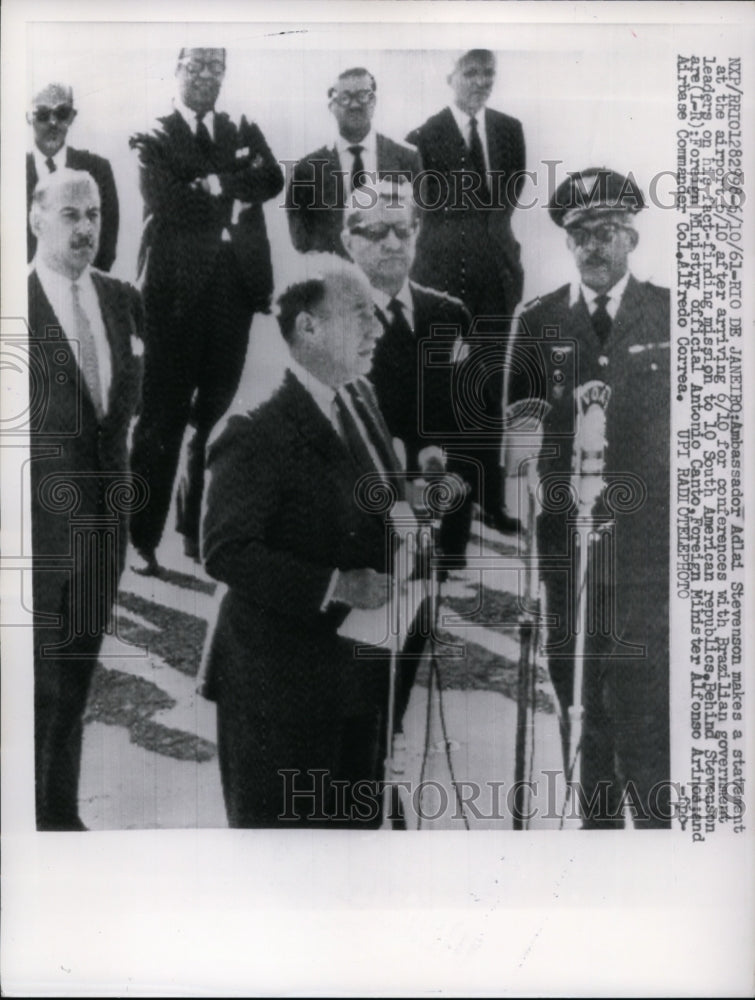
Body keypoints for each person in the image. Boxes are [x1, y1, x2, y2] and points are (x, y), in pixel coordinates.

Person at [202, 255, 399, 828]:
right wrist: (338, 584)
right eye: (360, 315)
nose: (376, 329)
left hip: (353, 681)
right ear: (307, 326)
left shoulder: (358, 396)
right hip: (276, 697)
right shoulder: (255, 424)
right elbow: (226, 549)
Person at [506, 168, 670, 828]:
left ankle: (658, 831)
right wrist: (526, 493)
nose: (594, 247)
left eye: (606, 232)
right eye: (580, 236)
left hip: (647, 543)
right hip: (565, 543)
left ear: (630, 235)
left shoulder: (671, 311)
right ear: (567, 243)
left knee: (639, 688)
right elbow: (519, 431)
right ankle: (596, 832)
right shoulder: (538, 320)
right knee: (576, 684)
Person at [128, 47, 284, 573]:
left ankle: (195, 535)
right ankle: (140, 537)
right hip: (172, 297)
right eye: (195, 65)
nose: (205, 76)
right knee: (161, 419)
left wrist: (214, 183)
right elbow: (167, 198)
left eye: (216, 66)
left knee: (214, 420)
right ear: (176, 70)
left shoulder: (242, 126)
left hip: (233, 293)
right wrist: (233, 187)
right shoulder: (153, 132)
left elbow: (274, 179)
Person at [28, 168, 143, 831]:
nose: (85, 227)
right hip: (36, 538)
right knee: (32, 689)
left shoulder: (122, 300)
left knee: (74, 686)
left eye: (94, 213)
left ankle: (60, 817)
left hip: (104, 532)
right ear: (37, 219)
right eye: (70, 213)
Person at [406, 49, 526, 528]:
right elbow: (434, 210)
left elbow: (506, 202)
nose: (480, 81)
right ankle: (441, 504)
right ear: (449, 77)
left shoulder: (509, 129)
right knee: (442, 390)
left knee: (488, 388)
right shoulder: (422, 138)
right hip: (443, 283)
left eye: (488, 73)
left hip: (495, 280)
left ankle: (488, 500)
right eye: (470, 73)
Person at [286, 67, 420, 256]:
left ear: (374, 101)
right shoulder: (306, 171)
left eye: (363, 96)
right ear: (331, 106)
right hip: (337, 276)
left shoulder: (407, 160)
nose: (355, 105)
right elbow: (301, 239)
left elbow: (419, 226)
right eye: (345, 98)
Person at [26, 83, 120, 271]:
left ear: (72, 117)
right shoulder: (9, 174)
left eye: (61, 113)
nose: (53, 123)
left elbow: (106, 245)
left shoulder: (98, 170)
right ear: (28, 117)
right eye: (43, 114)